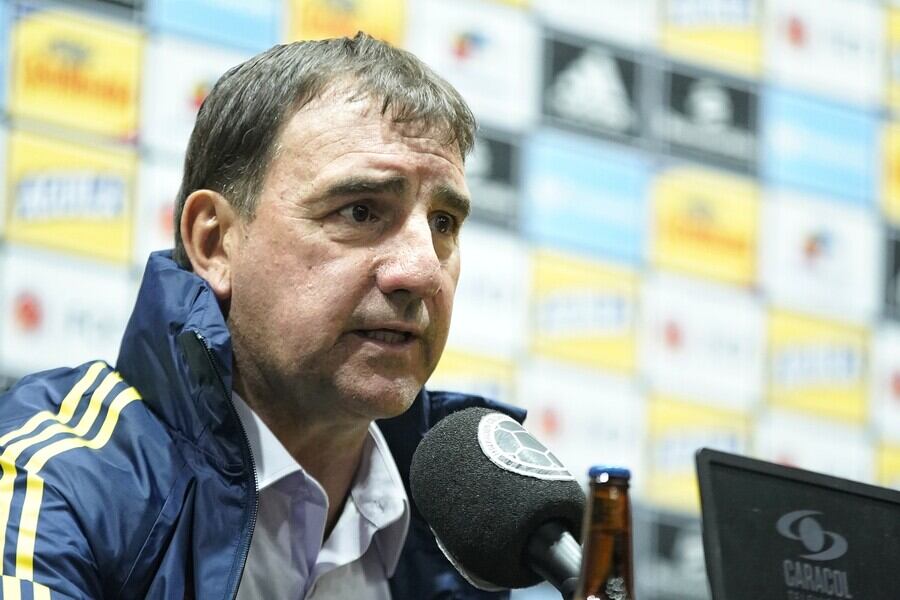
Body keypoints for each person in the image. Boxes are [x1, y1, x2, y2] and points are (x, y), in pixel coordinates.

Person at [0, 33, 524, 599]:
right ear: (215, 242)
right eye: (362, 210)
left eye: (443, 223)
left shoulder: (463, 536)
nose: (422, 270)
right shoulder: (53, 480)